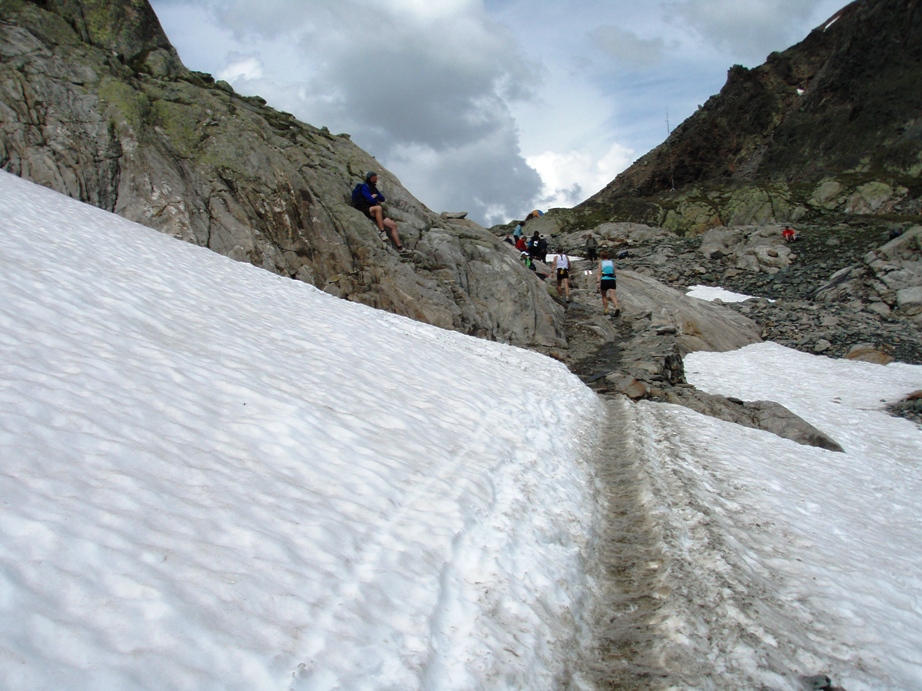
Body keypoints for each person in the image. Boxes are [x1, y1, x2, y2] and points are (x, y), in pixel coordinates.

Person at [355, 172, 408, 254]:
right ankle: (383, 232)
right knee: (378, 208)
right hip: (364, 208)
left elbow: (382, 198)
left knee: (393, 225)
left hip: (373, 210)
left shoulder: (374, 188)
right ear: (372, 177)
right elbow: (370, 199)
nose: (377, 179)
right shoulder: (364, 187)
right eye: (376, 177)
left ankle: (400, 248)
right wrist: (374, 198)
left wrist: (375, 196)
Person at [597, 249, 620, 316]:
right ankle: (617, 307)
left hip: (604, 279)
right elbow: (614, 272)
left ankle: (606, 309)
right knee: (613, 295)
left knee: (604, 296)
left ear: (601, 256)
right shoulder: (612, 263)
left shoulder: (601, 263)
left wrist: (598, 282)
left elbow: (599, 273)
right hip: (612, 279)